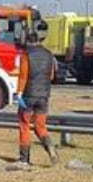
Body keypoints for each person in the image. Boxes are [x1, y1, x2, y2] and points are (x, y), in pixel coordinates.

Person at [14, 19, 60, 166]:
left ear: (27, 41)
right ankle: (50, 147)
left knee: (24, 125)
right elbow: (51, 75)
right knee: (40, 126)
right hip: (44, 96)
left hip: (28, 96)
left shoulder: (26, 55)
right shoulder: (49, 55)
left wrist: (19, 92)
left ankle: (24, 159)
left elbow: (23, 76)